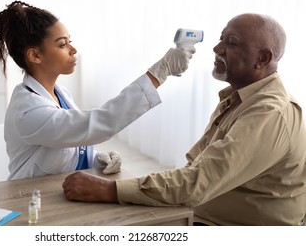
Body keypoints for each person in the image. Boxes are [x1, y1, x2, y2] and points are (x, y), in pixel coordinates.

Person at [62, 13, 306, 226]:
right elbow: (196, 166)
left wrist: (109, 190)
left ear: (263, 59)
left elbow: (198, 182)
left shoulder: (269, 113)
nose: (217, 48)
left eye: (231, 42)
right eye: (221, 38)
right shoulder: (239, 97)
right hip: (201, 214)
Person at [0, 1, 195, 180]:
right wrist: (160, 72)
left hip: (60, 193)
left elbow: (70, 143)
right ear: (35, 56)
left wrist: (97, 159)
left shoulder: (59, 94)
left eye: (70, 41)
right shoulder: (27, 111)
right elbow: (97, 124)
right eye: (62, 45)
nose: (73, 49)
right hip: (32, 204)